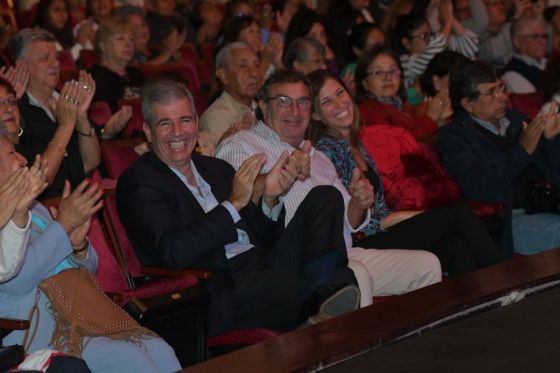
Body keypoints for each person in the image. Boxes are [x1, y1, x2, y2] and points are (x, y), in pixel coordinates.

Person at [117, 75, 360, 336]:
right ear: (148, 130)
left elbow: (263, 237)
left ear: (196, 123)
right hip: (219, 285)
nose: (178, 132)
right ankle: (318, 300)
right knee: (316, 282)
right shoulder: (140, 181)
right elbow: (171, 250)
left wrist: (269, 199)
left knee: (325, 197)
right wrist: (232, 204)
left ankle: (317, 299)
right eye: (166, 123)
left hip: (261, 264)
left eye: (185, 120)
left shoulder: (216, 170)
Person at [217, 69, 443, 294]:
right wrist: (278, 177)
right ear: (264, 106)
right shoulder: (242, 144)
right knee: (355, 274)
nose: (295, 111)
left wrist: (358, 203)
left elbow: (349, 221)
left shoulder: (319, 157)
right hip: (287, 261)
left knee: (426, 265)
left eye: (303, 102)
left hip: (344, 252)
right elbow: (237, 200)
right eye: (284, 101)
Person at [0, 135, 181, 372]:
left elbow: (87, 272)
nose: (23, 159)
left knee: (160, 349)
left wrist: (78, 248)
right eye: (12, 153)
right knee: (130, 358)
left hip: (84, 319)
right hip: (41, 331)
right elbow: (16, 279)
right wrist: (64, 225)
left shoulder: (36, 208)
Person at [306, 69, 505, 276]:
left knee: (455, 245)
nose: (340, 104)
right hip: (361, 243)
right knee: (458, 214)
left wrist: (418, 217)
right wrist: (418, 217)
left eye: (340, 93)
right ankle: (507, 281)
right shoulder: (327, 150)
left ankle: (479, 305)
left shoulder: (356, 144)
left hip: (381, 230)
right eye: (327, 102)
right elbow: (360, 225)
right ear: (315, 114)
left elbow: (380, 212)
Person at [439, 60, 560, 255]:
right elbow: (476, 187)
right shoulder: (455, 137)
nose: (502, 97)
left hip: (549, 205)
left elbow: (554, 171)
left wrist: (552, 140)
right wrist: (522, 151)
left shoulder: (516, 121)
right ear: (468, 104)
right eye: (490, 92)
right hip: (508, 219)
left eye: (501, 88)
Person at [11, 28, 101, 199]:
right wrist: (66, 125)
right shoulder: (16, 112)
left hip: (78, 198)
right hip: (44, 206)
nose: (55, 64)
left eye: (56, 57)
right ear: (22, 65)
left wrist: (81, 117)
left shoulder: (66, 100)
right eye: (45, 58)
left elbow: (91, 162)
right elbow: (40, 180)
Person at [356, 47, 451, 143]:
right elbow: (398, 147)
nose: (387, 77)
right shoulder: (367, 111)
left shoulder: (405, 107)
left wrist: (439, 123)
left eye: (393, 71)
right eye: (378, 73)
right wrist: (430, 119)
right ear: (364, 82)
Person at [199, 42, 261, 142]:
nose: (254, 73)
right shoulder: (215, 117)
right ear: (223, 75)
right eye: (243, 66)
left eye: (257, 65)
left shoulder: (262, 107)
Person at [89, 17, 145, 113]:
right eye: (120, 38)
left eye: (131, 39)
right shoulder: (95, 79)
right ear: (103, 45)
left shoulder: (137, 75)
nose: (129, 44)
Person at [502, 15, 548, 94]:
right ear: (517, 42)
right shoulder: (513, 75)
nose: (543, 42)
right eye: (535, 37)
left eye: (544, 36)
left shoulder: (550, 63)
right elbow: (532, 103)